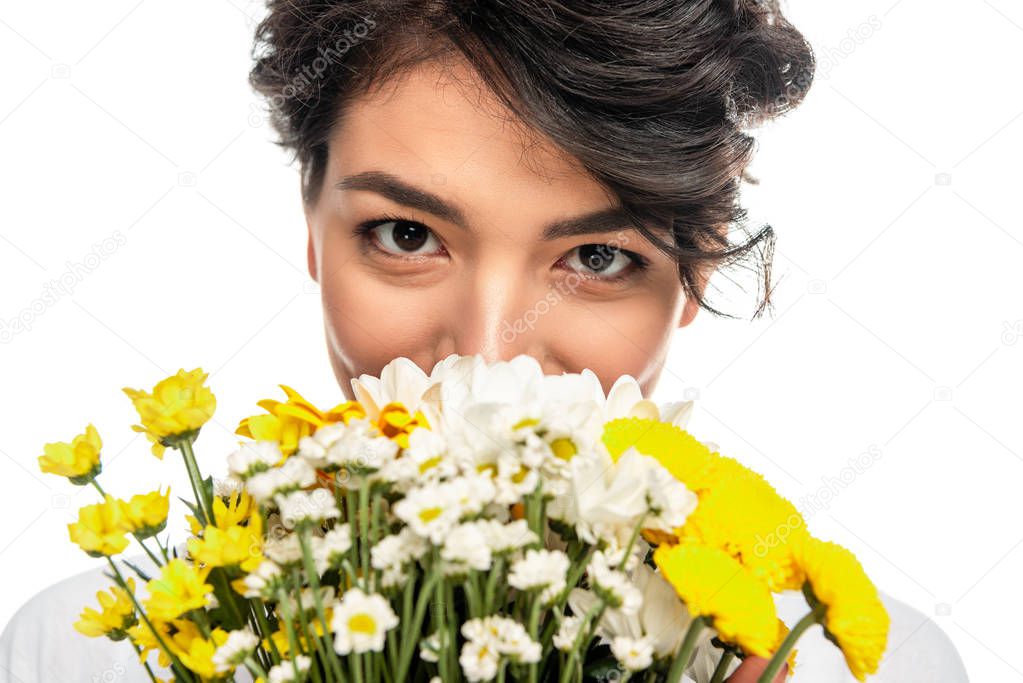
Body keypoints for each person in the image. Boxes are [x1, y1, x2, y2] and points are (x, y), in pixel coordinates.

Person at [1, 1, 969, 681]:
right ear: (310, 223)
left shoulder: (872, 668)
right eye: (408, 236)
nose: (490, 362)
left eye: (594, 255)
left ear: (698, 268)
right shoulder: (94, 653)